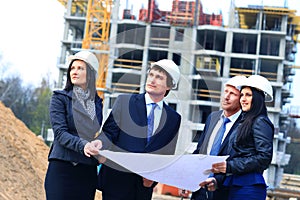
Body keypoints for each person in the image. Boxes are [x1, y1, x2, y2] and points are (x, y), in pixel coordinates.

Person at [97, 59, 182, 200]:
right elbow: (108, 134)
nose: (152, 80)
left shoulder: (173, 119)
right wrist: (99, 144)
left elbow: (166, 155)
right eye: (151, 75)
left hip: (143, 188)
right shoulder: (124, 102)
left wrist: (153, 179)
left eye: (159, 77)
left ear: (169, 86)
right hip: (116, 182)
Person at [202, 75, 274, 200]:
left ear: (257, 98)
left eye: (248, 95)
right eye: (242, 95)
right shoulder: (246, 121)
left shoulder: (261, 121)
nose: (243, 99)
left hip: (249, 188)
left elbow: (264, 157)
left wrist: (230, 166)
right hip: (235, 185)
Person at [44, 51, 104, 200]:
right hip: (62, 168)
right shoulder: (60, 98)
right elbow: (60, 133)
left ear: (90, 74)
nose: (74, 72)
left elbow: (93, 133)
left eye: (80, 68)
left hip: (86, 171)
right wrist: (83, 145)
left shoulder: (96, 103)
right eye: (72, 68)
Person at [190, 75, 247, 200]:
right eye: (226, 91)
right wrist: (188, 180)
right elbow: (200, 151)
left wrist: (217, 180)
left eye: (232, 94)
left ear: (241, 99)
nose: (226, 96)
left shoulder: (246, 125)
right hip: (200, 189)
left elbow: (240, 161)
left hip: (224, 192)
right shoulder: (213, 118)